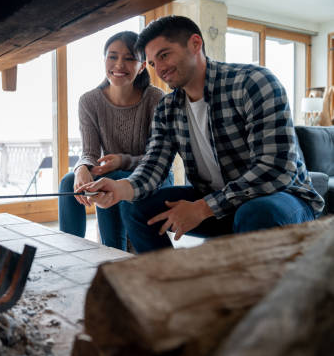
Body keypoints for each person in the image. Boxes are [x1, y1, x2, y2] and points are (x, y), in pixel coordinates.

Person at [78, 16, 324, 253]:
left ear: (195, 44)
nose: (160, 69)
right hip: (216, 201)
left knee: (255, 213)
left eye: (164, 55)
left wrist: (203, 208)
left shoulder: (253, 83)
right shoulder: (168, 107)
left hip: (280, 198)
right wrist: (121, 188)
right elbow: (154, 165)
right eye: (152, 63)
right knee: (135, 208)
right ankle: (171, 285)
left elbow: (276, 170)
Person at [58, 31, 173, 251]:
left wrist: (121, 161)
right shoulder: (89, 101)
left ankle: (113, 253)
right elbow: (90, 151)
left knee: (112, 177)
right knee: (68, 182)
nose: (119, 64)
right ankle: (69, 252)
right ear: (104, 60)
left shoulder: (156, 98)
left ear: (141, 66)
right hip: (110, 172)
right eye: (112, 56)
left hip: (155, 176)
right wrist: (82, 167)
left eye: (129, 58)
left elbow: (158, 158)